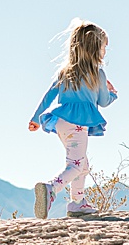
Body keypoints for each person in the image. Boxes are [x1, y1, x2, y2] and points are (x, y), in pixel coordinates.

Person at [28, 19, 117, 218]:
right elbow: (103, 101)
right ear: (95, 49)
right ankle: (51, 189)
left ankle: (77, 203)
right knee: (76, 165)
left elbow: (48, 96)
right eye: (104, 47)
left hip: (61, 122)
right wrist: (113, 94)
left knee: (82, 164)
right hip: (78, 125)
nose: (105, 51)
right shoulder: (97, 74)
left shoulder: (65, 72)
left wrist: (35, 118)